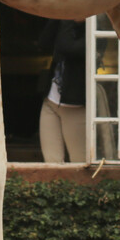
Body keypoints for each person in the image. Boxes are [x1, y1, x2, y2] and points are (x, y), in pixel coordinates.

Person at [37, 18, 89, 164]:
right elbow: (43, 42)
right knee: (51, 161)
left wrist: (66, 17)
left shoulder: (93, 33)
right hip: (51, 102)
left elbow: (67, 47)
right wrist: (57, 15)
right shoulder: (65, 28)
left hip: (75, 106)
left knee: (79, 161)